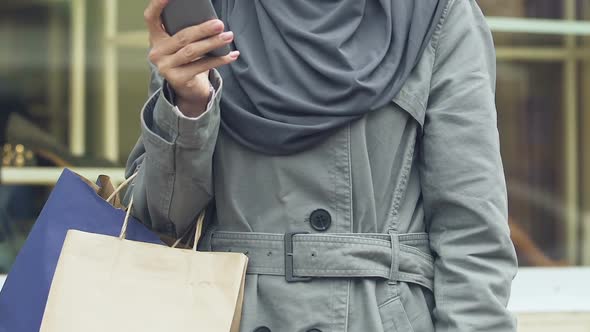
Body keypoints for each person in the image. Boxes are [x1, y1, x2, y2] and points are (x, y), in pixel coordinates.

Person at [126, 0, 518, 330]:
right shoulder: (211, 15)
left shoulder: (435, 13)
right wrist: (189, 106)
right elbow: (160, 219)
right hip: (232, 313)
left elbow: (472, 235)